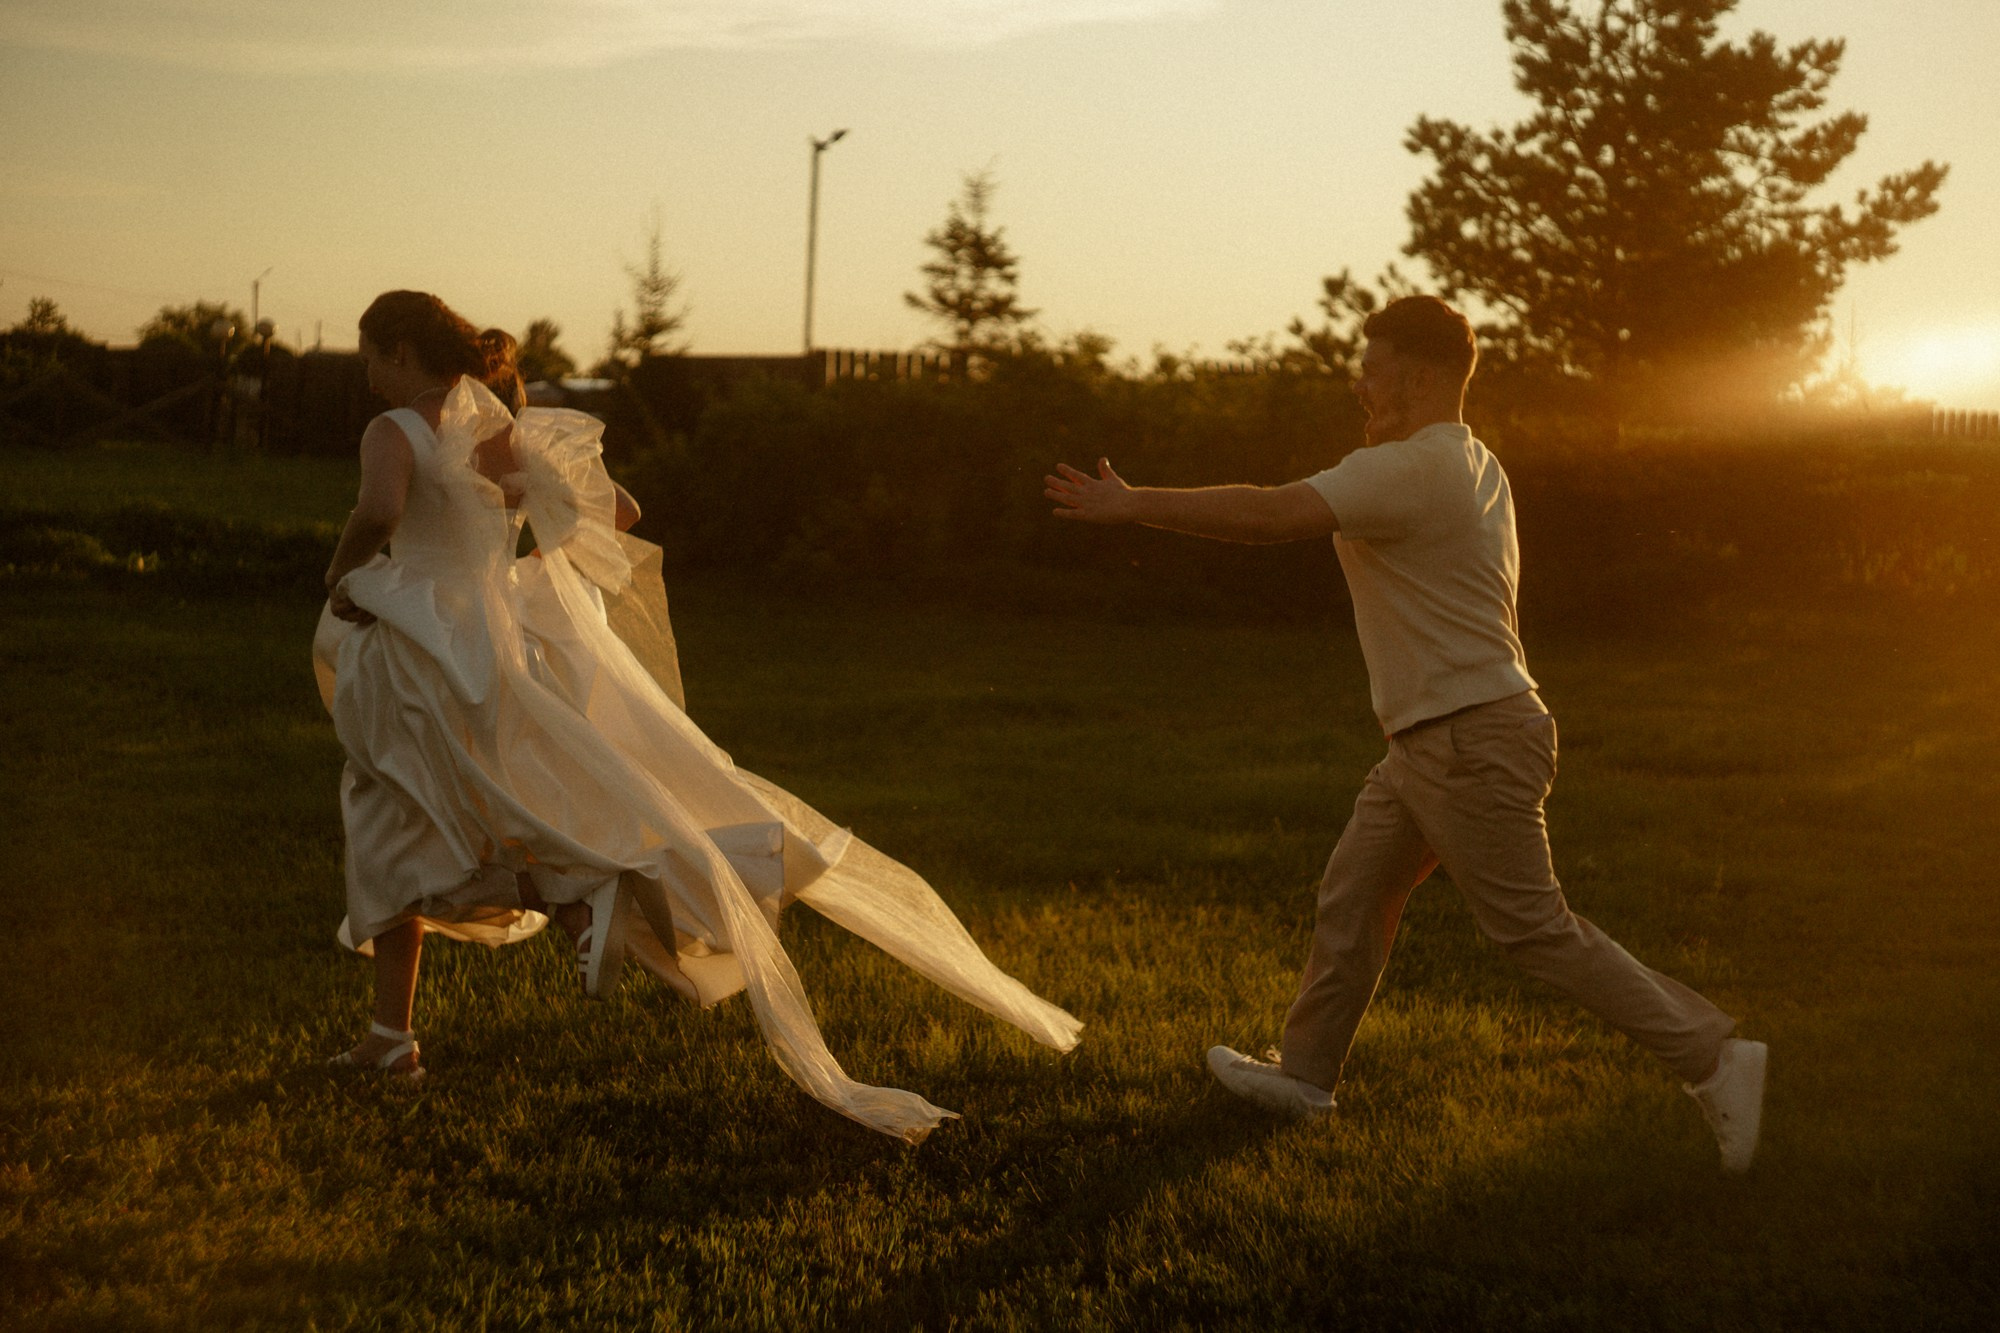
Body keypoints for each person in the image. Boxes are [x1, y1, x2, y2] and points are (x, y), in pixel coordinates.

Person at [317, 290, 1080, 1142]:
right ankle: (426, 1012)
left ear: (397, 351)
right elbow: (622, 511)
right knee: (462, 809)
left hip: (424, 649)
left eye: (369, 357)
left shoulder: (395, 433)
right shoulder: (494, 431)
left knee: (405, 813)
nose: (366, 374)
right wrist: (514, 569)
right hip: (495, 646)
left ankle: (565, 908)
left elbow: (381, 511)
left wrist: (341, 573)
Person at [1043, 295, 1766, 1172]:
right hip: (1441, 738)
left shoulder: (1412, 468)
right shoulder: (1472, 463)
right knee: (1354, 894)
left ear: (1418, 376)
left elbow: (1272, 514)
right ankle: (1305, 1075)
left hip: (1466, 740)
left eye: (1371, 367)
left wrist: (1135, 504)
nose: (1359, 383)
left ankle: (1712, 1056)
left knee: (1532, 930)